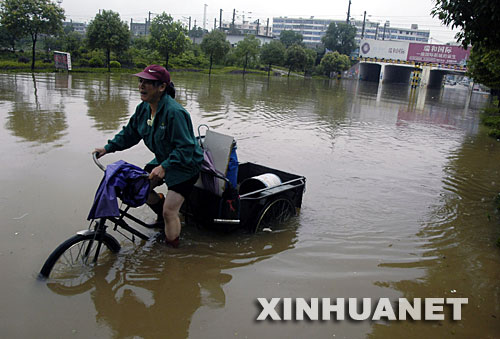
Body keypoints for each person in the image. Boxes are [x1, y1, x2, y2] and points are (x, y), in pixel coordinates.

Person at [94, 64, 203, 247]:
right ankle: (161, 213)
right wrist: (107, 148)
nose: (141, 86)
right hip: (163, 159)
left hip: (185, 166)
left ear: (161, 87)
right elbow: (130, 133)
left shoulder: (174, 113)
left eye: (148, 82)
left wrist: (165, 167)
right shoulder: (143, 109)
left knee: (170, 211)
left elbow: (186, 148)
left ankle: (172, 252)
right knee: (138, 188)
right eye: (140, 81)